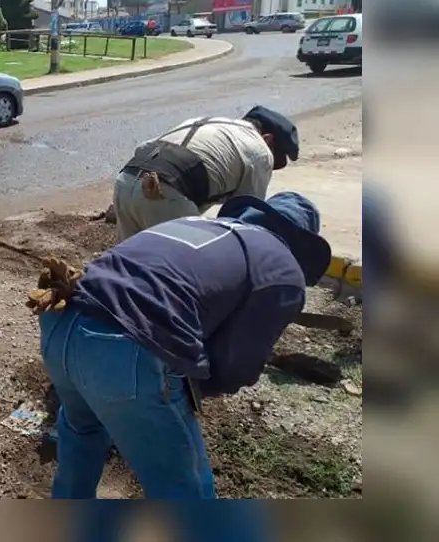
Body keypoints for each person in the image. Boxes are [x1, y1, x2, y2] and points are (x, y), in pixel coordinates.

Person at [27, 191, 332, 505]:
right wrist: (185, 392)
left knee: (82, 431)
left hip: (61, 320)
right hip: (125, 347)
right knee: (183, 486)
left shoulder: (195, 225)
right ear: (301, 243)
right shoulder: (282, 269)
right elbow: (237, 365)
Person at [111, 105, 300, 241]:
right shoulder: (259, 149)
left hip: (126, 180)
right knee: (190, 267)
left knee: (128, 264)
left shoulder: (208, 123)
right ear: (268, 139)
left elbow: (143, 147)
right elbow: (245, 214)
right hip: (164, 192)